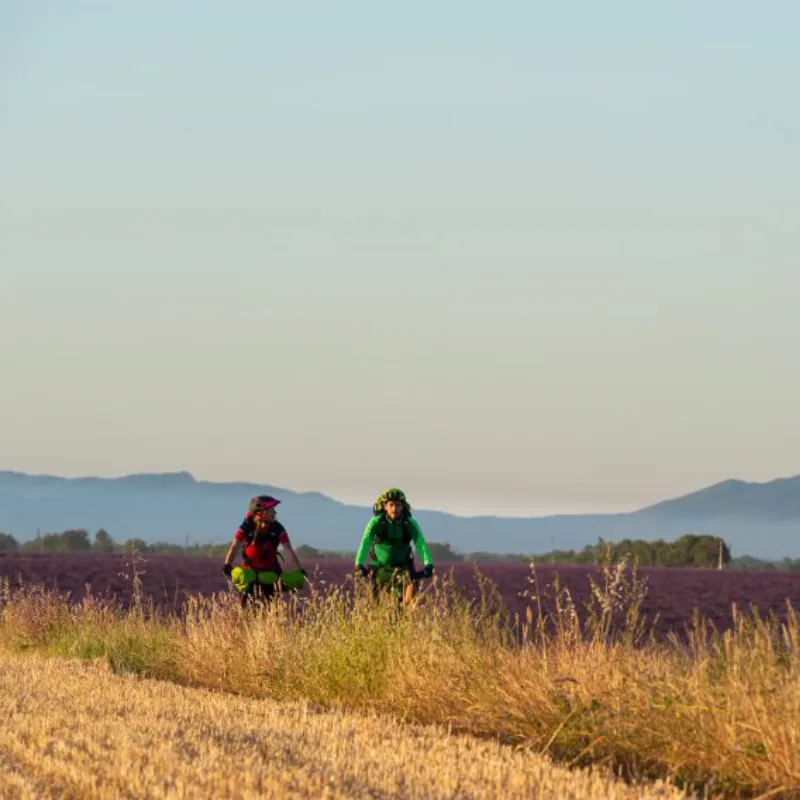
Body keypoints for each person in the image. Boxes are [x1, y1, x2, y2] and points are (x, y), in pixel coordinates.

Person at [222, 495, 306, 605]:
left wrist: (299, 570)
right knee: (245, 606)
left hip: (272, 572)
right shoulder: (246, 526)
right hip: (250, 572)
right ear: (259, 512)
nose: (275, 513)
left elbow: (288, 549)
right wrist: (227, 565)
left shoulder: (278, 528)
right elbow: (234, 547)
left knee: (272, 607)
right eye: (271, 510)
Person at [354, 488, 434, 601]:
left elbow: (420, 543)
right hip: (380, 567)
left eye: (398, 505)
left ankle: (405, 615)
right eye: (391, 505)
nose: (394, 508)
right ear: (385, 506)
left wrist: (428, 563)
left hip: (402, 567)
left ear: (403, 506)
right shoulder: (376, 522)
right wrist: (359, 564)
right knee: (375, 604)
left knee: (407, 596)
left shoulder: (410, 523)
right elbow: (366, 542)